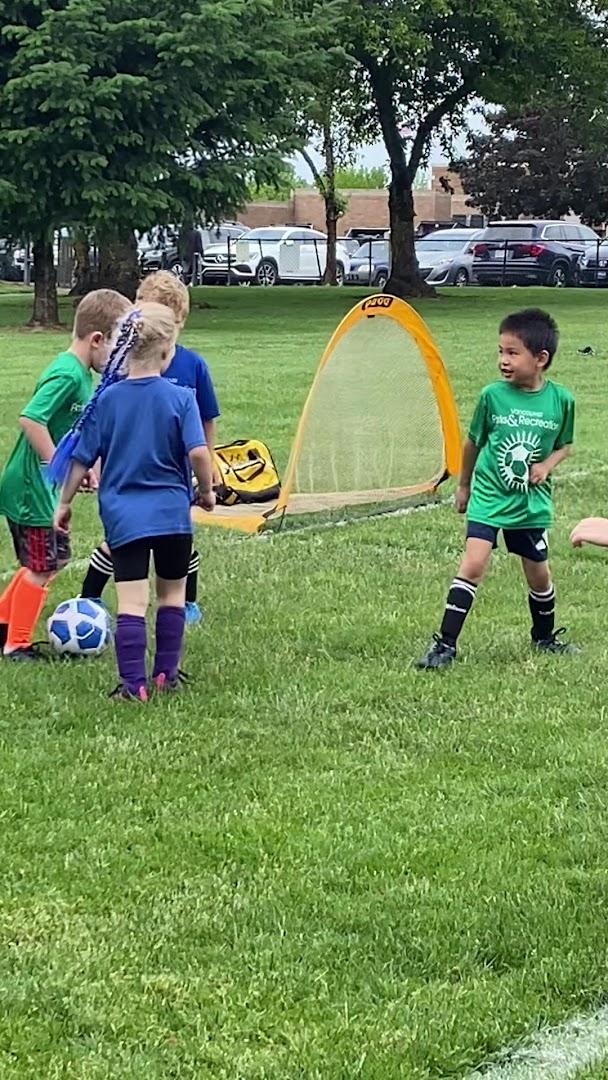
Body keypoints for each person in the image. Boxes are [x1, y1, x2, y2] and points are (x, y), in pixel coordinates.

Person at [55, 302, 215, 701]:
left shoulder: (106, 401)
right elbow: (198, 453)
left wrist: (64, 502)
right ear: (167, 351)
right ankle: (166, 675)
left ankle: (133, 685)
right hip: (172, 515)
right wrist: (207, 490)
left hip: (125, 517)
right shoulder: (180, 398)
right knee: (172, 595)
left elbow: (80, 458)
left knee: (131, 601)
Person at [417, 308, 577, 670]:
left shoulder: (561, 401)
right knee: (473, 564)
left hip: (529, 505)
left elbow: (565, 445)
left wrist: (546, 466)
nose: (503, 360)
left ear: (540, 359)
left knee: (539, 575)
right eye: (500, 351)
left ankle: (545, 638)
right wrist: (464, 485)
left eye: (512, 352)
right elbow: (473, 443)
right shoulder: (492, 396)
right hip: (489, 496)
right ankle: (445, 646)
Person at [79, 270, 219, 625]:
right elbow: (103, 420)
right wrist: (94, 466)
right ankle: (89, 596)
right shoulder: (123, 366)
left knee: (179, 536)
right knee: (121, 540)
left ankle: (186, 602)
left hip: (170, 474)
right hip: (128, 470)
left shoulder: (192, 365)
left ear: (178, 323)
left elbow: (205, 420)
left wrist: (209, 460)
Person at [0, 288, 131, 661]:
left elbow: (68, 431)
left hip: (41, 488)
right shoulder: (67, 374)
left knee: (46, 563)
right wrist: (58, 463)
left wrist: (83, 468)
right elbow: (31, 419)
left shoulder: (80, 376)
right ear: (97, 339)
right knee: (42, 567)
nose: (120, 359)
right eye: (117, 348)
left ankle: (4, 626)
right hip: (30, 489)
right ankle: (17, 644)